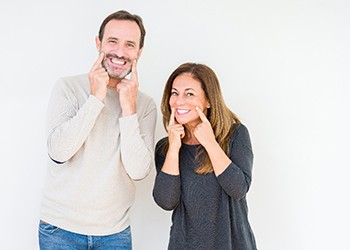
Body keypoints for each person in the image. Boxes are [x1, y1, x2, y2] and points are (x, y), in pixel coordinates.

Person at [38, 10, 156, 249]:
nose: (120, 52)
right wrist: (96, 99)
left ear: (139, 52)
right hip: (60, 230)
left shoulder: (145, 105)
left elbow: (138, 171)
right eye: (112, 41)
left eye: (129, 45)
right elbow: (59, 153)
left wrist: (128, 109)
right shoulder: (68, 88)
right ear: (98, 43)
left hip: (115, 233)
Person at [153, 63, 257, 249]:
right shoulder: (166, 147)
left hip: (233, 244)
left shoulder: (235, 135)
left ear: (208, 100)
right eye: (175, 93)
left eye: (189, 94)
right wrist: (174, 148)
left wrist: (210, 143)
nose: (179, 101)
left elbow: (239, 189)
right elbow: (166, 201)